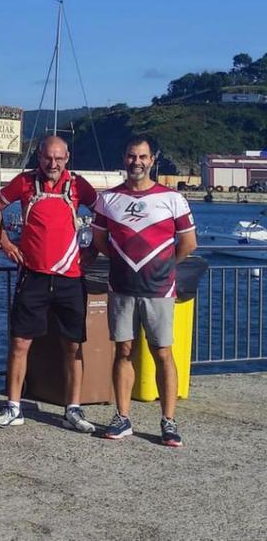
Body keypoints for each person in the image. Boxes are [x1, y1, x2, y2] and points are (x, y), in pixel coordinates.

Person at [91, 136, 197, 447]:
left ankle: (168, 421)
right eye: (131, 156)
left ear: (152, 160)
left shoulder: (173, 199)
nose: (136, 161)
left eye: (142, 156)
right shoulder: (108, 199)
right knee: (123, 351)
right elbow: (100, 243)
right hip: (121, 288)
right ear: (123, 159)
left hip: (159, 289)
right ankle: (122, 417)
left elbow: (188, 244)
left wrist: (164, 266)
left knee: (162, 353)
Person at [0, 136, 99, 432]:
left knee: (73, 346)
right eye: (47, 158)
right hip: (33, 275)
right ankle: (13, 406)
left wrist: (94, 249)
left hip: (70, 277)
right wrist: (5, 243)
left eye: (59, 159)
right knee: (19, 342)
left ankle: (72, 409)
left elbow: (104, 213)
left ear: (67, 158)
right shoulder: (25, 182)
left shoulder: (78, 185)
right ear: (38, 157)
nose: (53, 164)